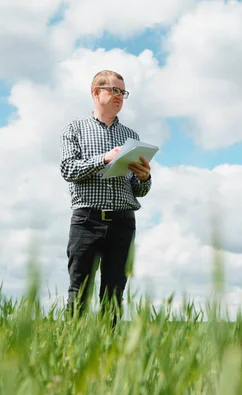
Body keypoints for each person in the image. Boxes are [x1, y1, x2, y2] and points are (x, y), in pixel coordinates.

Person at [59, 69, 152, 327]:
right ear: (95, 92)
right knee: (79, 292)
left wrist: (144, 178)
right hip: (86, 221)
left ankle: (107, 358)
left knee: (113, 296)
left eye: (123, 92)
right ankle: (71, 355)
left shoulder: (131, 137)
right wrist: (103, 158)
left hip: (123, 223)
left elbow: (139, 189)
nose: (119, 96)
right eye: (114, 90)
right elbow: (68, 169)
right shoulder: (75, 129)